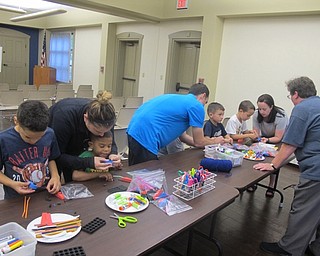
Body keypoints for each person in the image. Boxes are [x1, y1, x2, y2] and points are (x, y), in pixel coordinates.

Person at [254, 76, 320, 256]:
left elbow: (290, 144)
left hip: (316, 171)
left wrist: (273, 165)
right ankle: (315, 248)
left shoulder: (302, 109)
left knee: (303, 209)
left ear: (296, 94)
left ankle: (289, 248)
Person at [127, 82, 219, 165]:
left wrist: (206, 143)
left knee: (135, 171)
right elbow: (199, 142)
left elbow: (183, 137)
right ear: (203, 96)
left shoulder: (180, 100)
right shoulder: (196, 105)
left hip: (133, 130)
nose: (203, 105)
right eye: (205, 102)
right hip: (146, 135)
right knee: (147, 177)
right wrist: (216, 141)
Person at [49, 91, 122, 183]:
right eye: (98, 131)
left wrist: (113, 154)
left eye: (106, 131)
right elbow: (57, 156)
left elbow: (111, 142)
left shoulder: (105, 120)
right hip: (63, 141)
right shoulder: (63, 117)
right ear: (86, 118)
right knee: (68, 180)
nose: (101, 135)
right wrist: (89, 162)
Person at [0, 100, 61, 199]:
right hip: (16, 197)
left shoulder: (50, 134)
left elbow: (51, 158)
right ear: (16, 121)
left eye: (40, 137)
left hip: (44, 193)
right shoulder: (3, 140)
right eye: (28, 137)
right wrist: (12, 184)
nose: (34, 142)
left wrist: (55, 176)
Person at [249, 94, 288, 197]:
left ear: (271, 107)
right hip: (264, 138)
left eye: (264, 109)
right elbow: (256, 133)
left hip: (277, 140)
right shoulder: (256, 114)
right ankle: (253, 182)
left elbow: (278, 137)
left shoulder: (280, 116)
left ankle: (271, 185)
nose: (262, 112)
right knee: (256, 157)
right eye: (260, 109)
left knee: (273, 162)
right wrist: (256, 138)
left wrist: (268, 140)